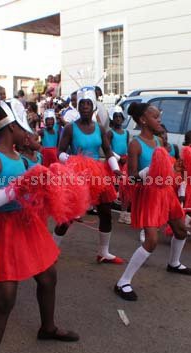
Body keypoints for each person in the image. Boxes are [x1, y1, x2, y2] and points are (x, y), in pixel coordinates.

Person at [0, 98, 78, 353]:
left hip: (27, 225)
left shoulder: (20, 158)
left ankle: (48, 327)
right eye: (24, 129)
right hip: (4, 229)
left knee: (48, 276)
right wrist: (15, 190)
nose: (28, 134)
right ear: (11, 129)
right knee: (6, 296)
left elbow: (30, 190)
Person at [114, 102, 191, 302]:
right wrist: (150, 169)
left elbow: (165, 169)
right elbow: (131, 178)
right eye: (155, 117)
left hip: (165, 192)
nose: (159, 120)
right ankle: (123, 282)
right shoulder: (135, 144)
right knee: (151, 241)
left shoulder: (159, 141)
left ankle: (174, 263)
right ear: (143, 120)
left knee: (181, 231)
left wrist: (175, 169)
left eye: (159, 117)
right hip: (148, 195)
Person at [54, 86, 124, 264]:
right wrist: (74, 160)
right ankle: (52, 250)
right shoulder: (70, 128)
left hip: (97, 174)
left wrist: (115, 169)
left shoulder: (100, 128)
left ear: (93, 107)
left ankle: (104, 252)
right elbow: (60, 152)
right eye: (82, 103)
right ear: (78, 107)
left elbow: (107, 151)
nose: (85, 106)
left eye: (88, 104)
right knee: (68, 215)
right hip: (77, 174)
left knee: (106, 212)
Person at [106, 106, 130, 224]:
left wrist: (125, 158)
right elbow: (107, 149)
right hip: (114, 162)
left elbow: (126, 146)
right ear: (112, 119)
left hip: (124, 162)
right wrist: (118, 158)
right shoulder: (110, 133)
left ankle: (124, 213)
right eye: (116, 117)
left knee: (124, 187)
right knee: (112, 186)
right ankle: (107, 210)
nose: (118, 119)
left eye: (120, 117)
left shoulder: (126, 132)